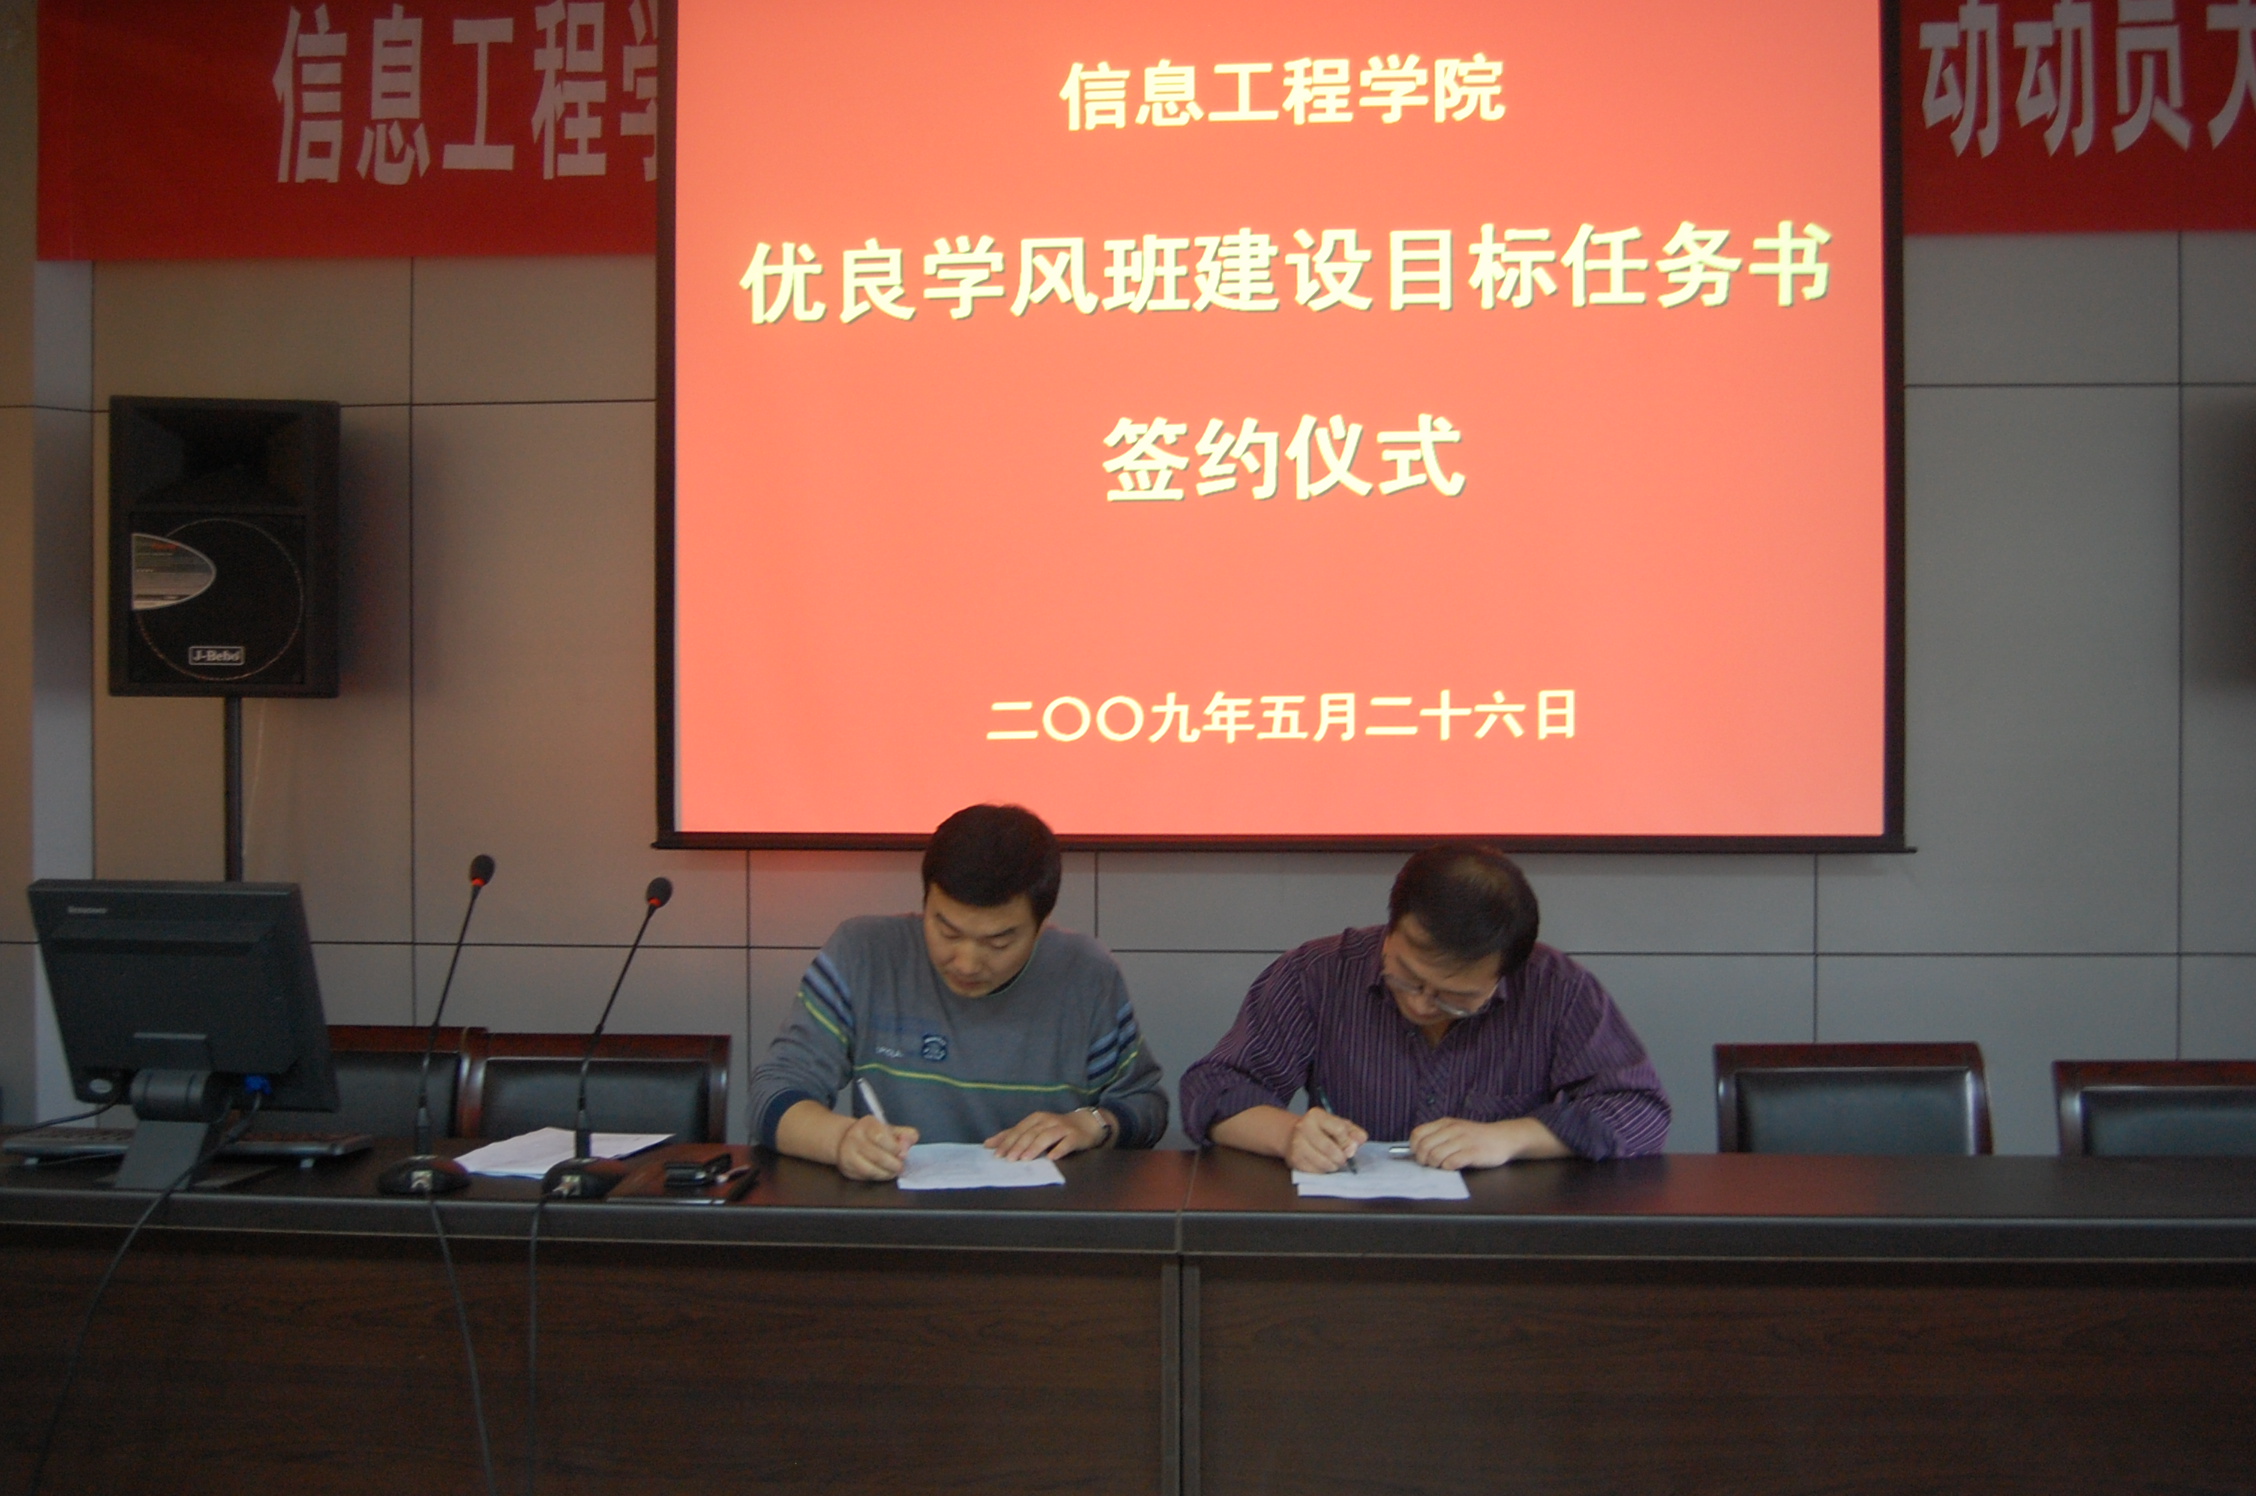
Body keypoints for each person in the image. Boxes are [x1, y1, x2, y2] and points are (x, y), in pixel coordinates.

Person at [1178, 844, 1668, 1171]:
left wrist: (1512, 1138)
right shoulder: (1318, 974)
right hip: (1348, 1235)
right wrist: (1289, 1135)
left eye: (1455, 998)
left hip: (1504, 1240)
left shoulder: (1556, 988)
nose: (1420, 1003)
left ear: (1505, 973)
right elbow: (1213, 1090)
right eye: (1406, 977)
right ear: (1390, 929)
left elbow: (1639, 1111)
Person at [747, 803, 1167, 1180]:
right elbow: (774, 1092)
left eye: (998, 942)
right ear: (925, 901)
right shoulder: (865, 954)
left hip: (1045, 1221)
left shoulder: (1085, 974)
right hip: (898, 1218)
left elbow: (1146, 1106)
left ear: (1042, 925)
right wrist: (841, 1140)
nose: (966, 963)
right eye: (947, 931)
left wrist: (1091, 1124)